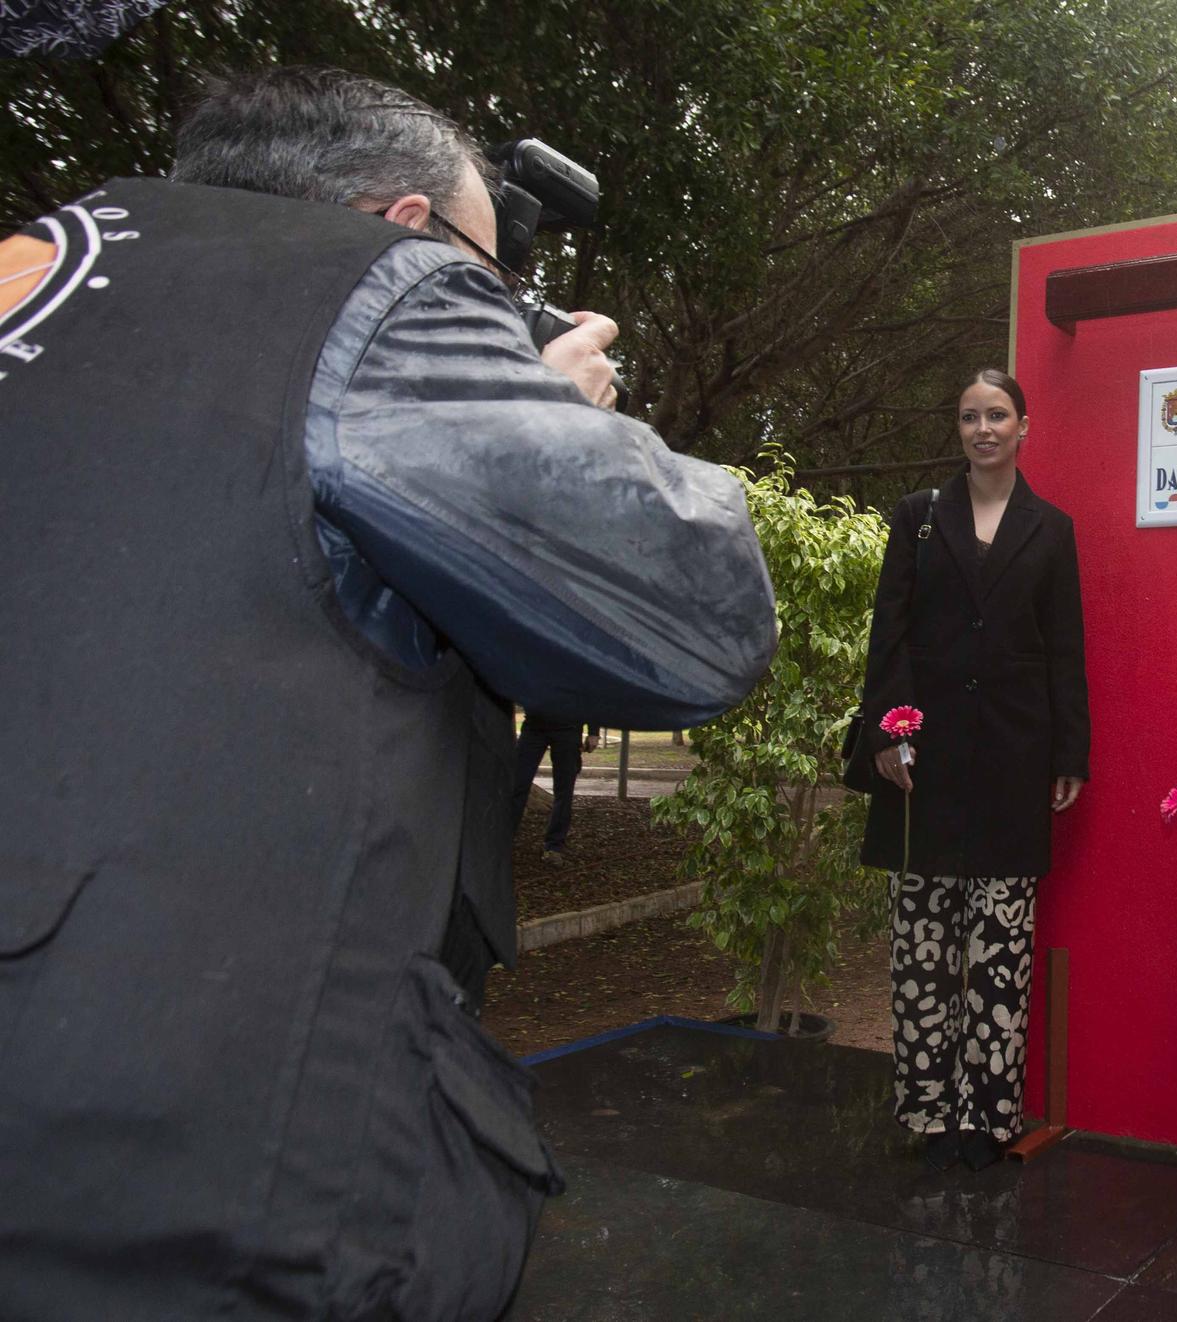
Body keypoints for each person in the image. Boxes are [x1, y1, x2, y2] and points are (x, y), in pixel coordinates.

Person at [0, 66, 775, 1321]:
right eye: (486, 271)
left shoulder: (45, 264)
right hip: (193, 1189)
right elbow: (701, 615)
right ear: (404, 223)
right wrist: (539, 409)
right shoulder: (366, 284)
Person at [858, 368, 1090, 1172]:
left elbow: (1065, 650)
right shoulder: (917, 519)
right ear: (957, 430)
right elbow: (887, 631)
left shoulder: (1051, 529)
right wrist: (886, 735)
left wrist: (1070, 754)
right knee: (923, 944)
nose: (983, 428)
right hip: (921, 763)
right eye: (969, 416)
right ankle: (926, 1107)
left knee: (1000, 947)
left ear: (1025, 426)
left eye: (997, 415)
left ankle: (987, 1114)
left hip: (1014, 762)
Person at [512, 711, 601, 863]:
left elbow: (590, 693)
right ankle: (503, 841)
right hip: (534, 727)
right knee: (517, 785)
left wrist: (594, 732)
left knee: (564, 791)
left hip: (568, 730)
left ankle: (554, 847)